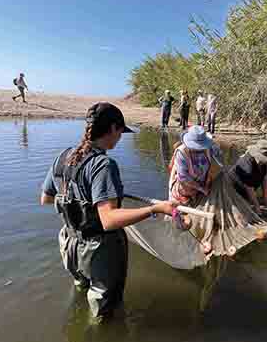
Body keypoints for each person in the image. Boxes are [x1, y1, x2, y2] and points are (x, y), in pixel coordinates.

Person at [40, 102, 175, 319]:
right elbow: (109, 220)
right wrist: (155, 209)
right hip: (99, 251)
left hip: (70, 244)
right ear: (113, 128)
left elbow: (46, 198)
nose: (120, 138)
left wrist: (82, 198)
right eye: (121, 132)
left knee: (81, 287)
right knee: (103, 313)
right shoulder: (103, 165)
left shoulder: (63, 156)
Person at [168, 125, 215, 206]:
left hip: (203, 184)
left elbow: (217, 163)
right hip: (185, 189)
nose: (199, 149)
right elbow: (183, 177)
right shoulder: (182, 153)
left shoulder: (208, 149)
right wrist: (201, 189)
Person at [228, 140, 267, 214]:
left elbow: (264, 178)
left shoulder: (263, 163)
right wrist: (257, 206)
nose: (265, 161)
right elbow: (249, 188)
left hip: (249, 187)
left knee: (257, 202)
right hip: (235, 190)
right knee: (244, 209)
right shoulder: (246, 164)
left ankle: (252, 201)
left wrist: (265, 196)